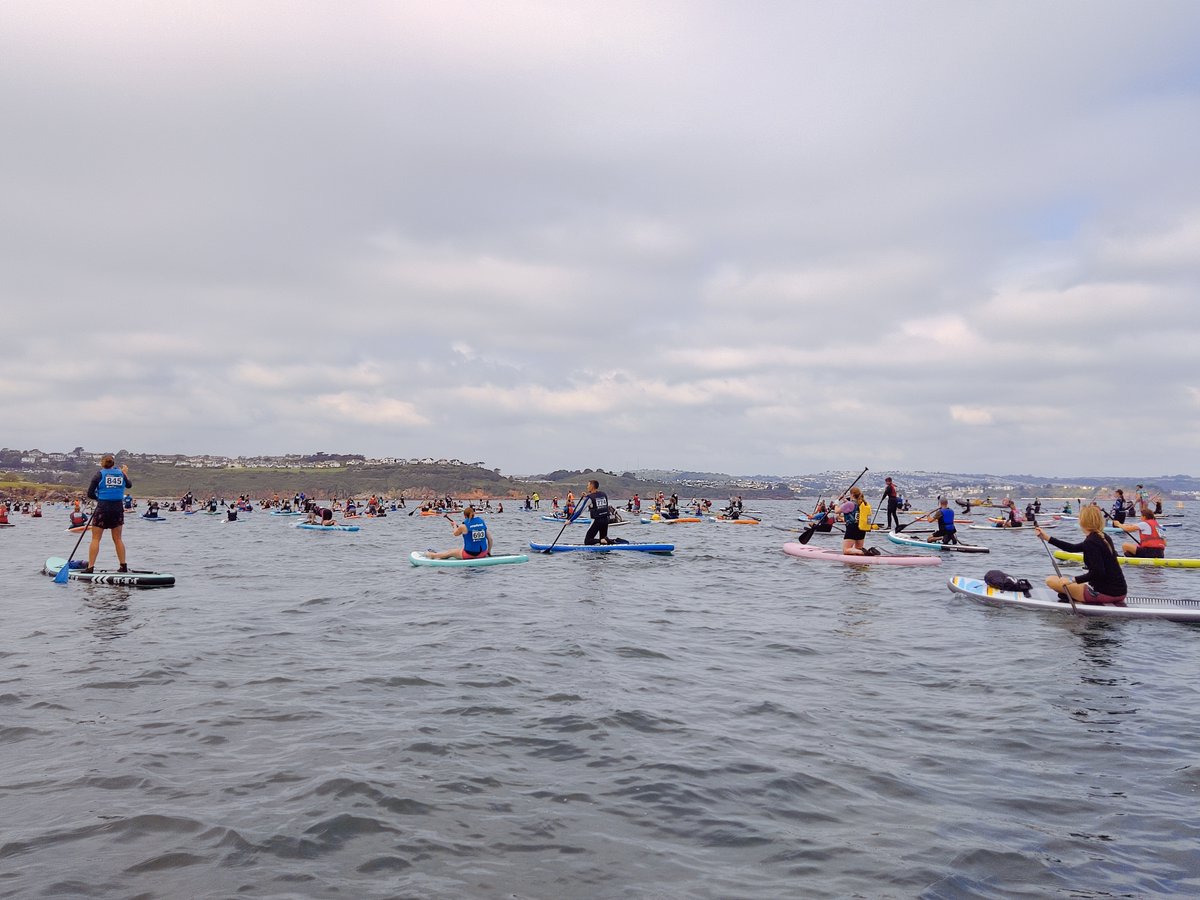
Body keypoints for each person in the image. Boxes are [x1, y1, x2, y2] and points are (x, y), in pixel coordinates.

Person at [1036, 505, 1127, 606]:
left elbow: (1098, 572)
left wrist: (1071, 580)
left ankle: (1074, 596)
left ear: (1083, 522)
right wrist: (1047, 538)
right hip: (1121, 592)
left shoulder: (1091, 542)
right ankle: (1071, 594)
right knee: (1070, 582)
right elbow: (1072, 548)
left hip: (1105, 594)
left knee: (1050, 580)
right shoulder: (1104, 537)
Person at [85, 455, 130, 573]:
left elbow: (90, 493)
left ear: (102, 463)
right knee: (118, 539)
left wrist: (99, 498)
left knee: (95, 538)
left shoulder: (99, 474)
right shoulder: (121, 474)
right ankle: (123, 566)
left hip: (103, 507)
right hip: (117, 508)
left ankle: (90, 567)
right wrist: (124, 473)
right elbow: (129, 485)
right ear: (113, 464)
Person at [427, 505, 492, 560]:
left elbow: (455, 533)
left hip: (470, 554)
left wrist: (454, 525)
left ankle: (432, 555)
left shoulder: (463, 526)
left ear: (465, 516)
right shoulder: (481, 523)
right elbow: (490, 539)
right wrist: (488, 552)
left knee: (450, 552)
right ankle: (436, 554)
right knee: (458, 550)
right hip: (483, 553)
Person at [573, 479, 612, 545]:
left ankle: (601, 541)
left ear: (592, 486)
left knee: (587, 541)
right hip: (606, 519)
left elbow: (580, 511)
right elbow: (596, 498)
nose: (587, 487)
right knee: (604, 542)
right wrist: (587, 496)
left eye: (588, 485)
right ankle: (605, 543)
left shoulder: (589, 498)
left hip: (597, 521)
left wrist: (570, 520)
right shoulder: (603, 494)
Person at [839, 486, 874, 555]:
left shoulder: (849, 504)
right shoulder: (862, 503)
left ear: (852, 494)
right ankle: (859, 561)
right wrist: (844, 500)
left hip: (852, 528)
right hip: (862, 529)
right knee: (857, 549)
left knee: (846, 550)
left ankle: (863, 552)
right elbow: (852, 505)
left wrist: (836, 503)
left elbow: (837, 511)